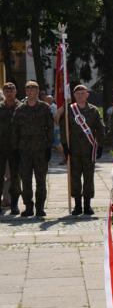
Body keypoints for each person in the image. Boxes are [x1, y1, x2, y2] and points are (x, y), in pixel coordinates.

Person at [59, 84, 105, 215]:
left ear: (87, 94)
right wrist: (64, 146)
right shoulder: (69, 110)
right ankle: (77, 206)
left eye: (82, 93)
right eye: (77, 94)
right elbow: (63, 129)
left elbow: (100, 128)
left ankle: (87, 205)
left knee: (89, 178)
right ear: (74, 96)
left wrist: (100, 145)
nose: (80, 96)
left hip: (89, 150)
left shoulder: (94, 110)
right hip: (73, 150)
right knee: (75, 178)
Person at [11, 81, 54, 218]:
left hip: (40, 150)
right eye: (28, 89)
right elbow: (15, 131)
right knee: (26, 181)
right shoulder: (20, 110)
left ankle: (40, 207)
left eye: (33, 89)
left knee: (41, 180)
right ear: (25, 91)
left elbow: (50, 128)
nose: (30, 91)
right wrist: (16, 149)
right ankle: (28, 207)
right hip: (24, 151)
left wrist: (49, 147)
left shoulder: (45, 108)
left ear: (37, 91)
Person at [0, 82, 22, 215]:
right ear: (3, 92)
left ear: (15, 92)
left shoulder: (22, 108)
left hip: (16, 148)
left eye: (11, 90)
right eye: (6, 90)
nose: (9, 93)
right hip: (0, 148)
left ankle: (14, 204)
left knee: (15, 177)